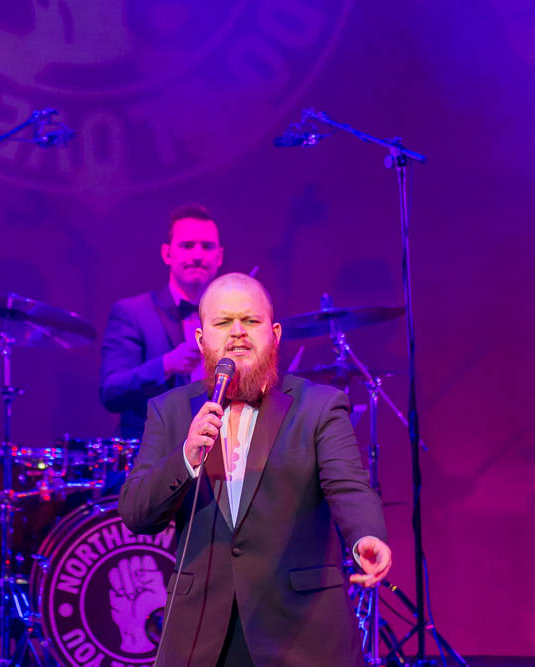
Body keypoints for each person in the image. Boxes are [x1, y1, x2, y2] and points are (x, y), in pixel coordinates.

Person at [118, 273, 392, 666]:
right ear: (201, 340)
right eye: (223, 322)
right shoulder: (169, 411)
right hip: (201, 636)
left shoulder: (319, 406)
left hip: (301, 631)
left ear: (275, 334)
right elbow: (136, 512)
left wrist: (366, 535)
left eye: (250, 320)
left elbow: (349, 486)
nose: (237, 333)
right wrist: (186, 457)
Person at [100, 203, 224, 439]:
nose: (198, 256)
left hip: (219, 450)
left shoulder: (232, 319)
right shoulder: (132, 312)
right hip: (151, 450)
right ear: (167, 254)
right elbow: (111, 391)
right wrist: (166, 365)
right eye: (187, 246)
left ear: (219, 257)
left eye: (207, 247)